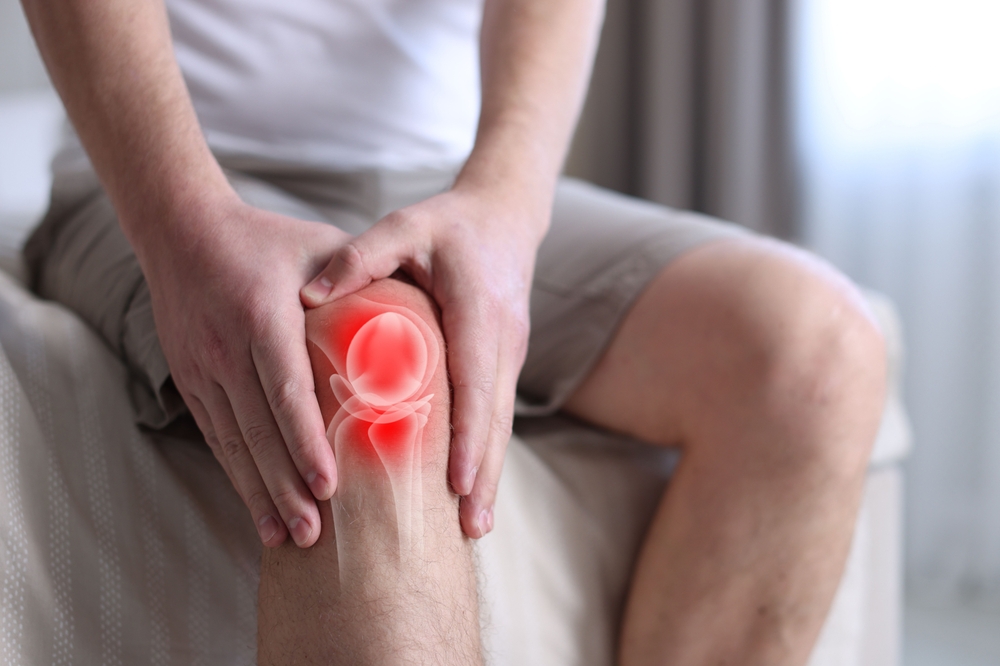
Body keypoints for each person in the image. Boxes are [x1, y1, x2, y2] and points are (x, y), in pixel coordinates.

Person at [20, 0, 887, 663]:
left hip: (444, 177)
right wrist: (182, 224)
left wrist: (506, 203)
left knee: (819, 352)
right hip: (184, 176)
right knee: (374, 377)